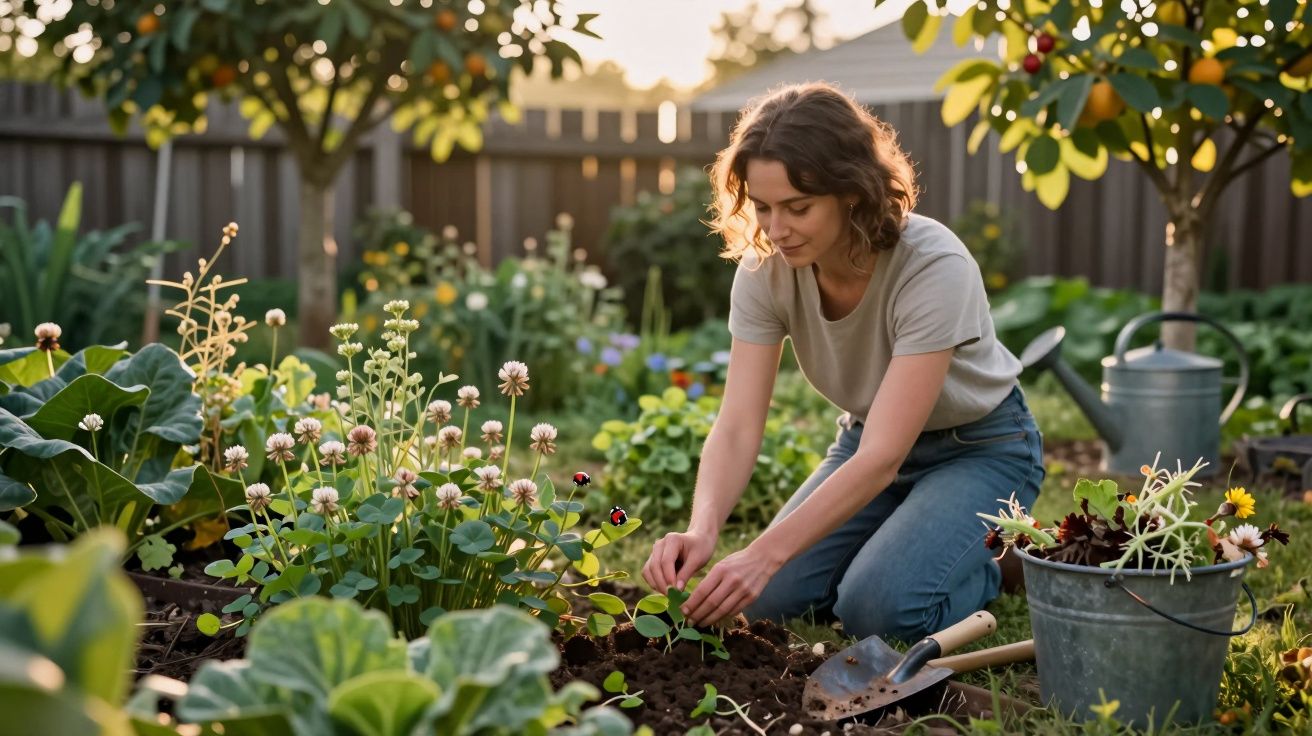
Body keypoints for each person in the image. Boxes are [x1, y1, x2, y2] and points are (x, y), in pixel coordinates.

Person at [640, 82, 1044, 642]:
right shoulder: (766, 270)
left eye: (797, 208)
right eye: (762, 207)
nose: (775, 229)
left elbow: (884, 457)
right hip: (865, 443)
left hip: (981, 450)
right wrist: (703, 529)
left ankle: (999, 567)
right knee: (769, 603)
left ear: (852, 192)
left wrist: (763, 553)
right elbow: (736, 425)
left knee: (877, 611)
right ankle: (898, 550)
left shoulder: (933, 267)